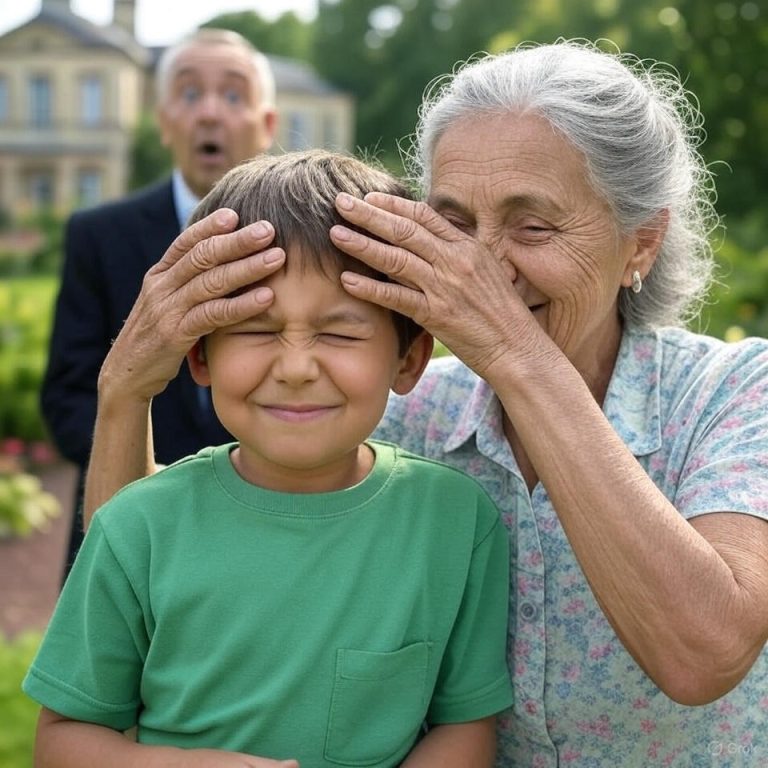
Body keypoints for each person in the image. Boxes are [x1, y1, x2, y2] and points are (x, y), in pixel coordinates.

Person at [80, 40, 768, 765]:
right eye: (454, 225)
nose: (481, 267)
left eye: (532, 225)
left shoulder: (734, 393)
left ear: (641, 243)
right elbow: (143, 575)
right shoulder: (410, 410)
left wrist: (514, 355)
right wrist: (125, 394)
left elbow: (704, 653)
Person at [24, 150, 513, 768]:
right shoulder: (136, 526)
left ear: (409, 358)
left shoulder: (456, 524)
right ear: (198, 357)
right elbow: (63, 738)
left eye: (340, 333)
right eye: (256, 331)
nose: (297, 367)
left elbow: (464, 726)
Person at [40, 27, 278, 582]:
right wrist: (158, 479)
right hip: (129, 518)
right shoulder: (98, 234)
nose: (210, 113)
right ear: (162, 118)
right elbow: (66, 395)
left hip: (268, 525)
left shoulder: (307, 245)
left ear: (267, 124)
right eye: (190, 94)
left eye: (235, 94)